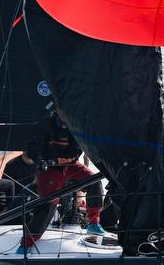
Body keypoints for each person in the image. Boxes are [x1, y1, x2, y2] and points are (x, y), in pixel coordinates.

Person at [17, 109, 104, 254]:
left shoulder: (75, 125)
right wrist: (39, 161)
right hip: (49, 169)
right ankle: (26, 243)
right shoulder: (45, 125)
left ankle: (93, 222)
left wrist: (59, 160)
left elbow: (77, 150)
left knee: (93, 180)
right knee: (49, 202)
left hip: (69, 165)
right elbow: (34, 146)